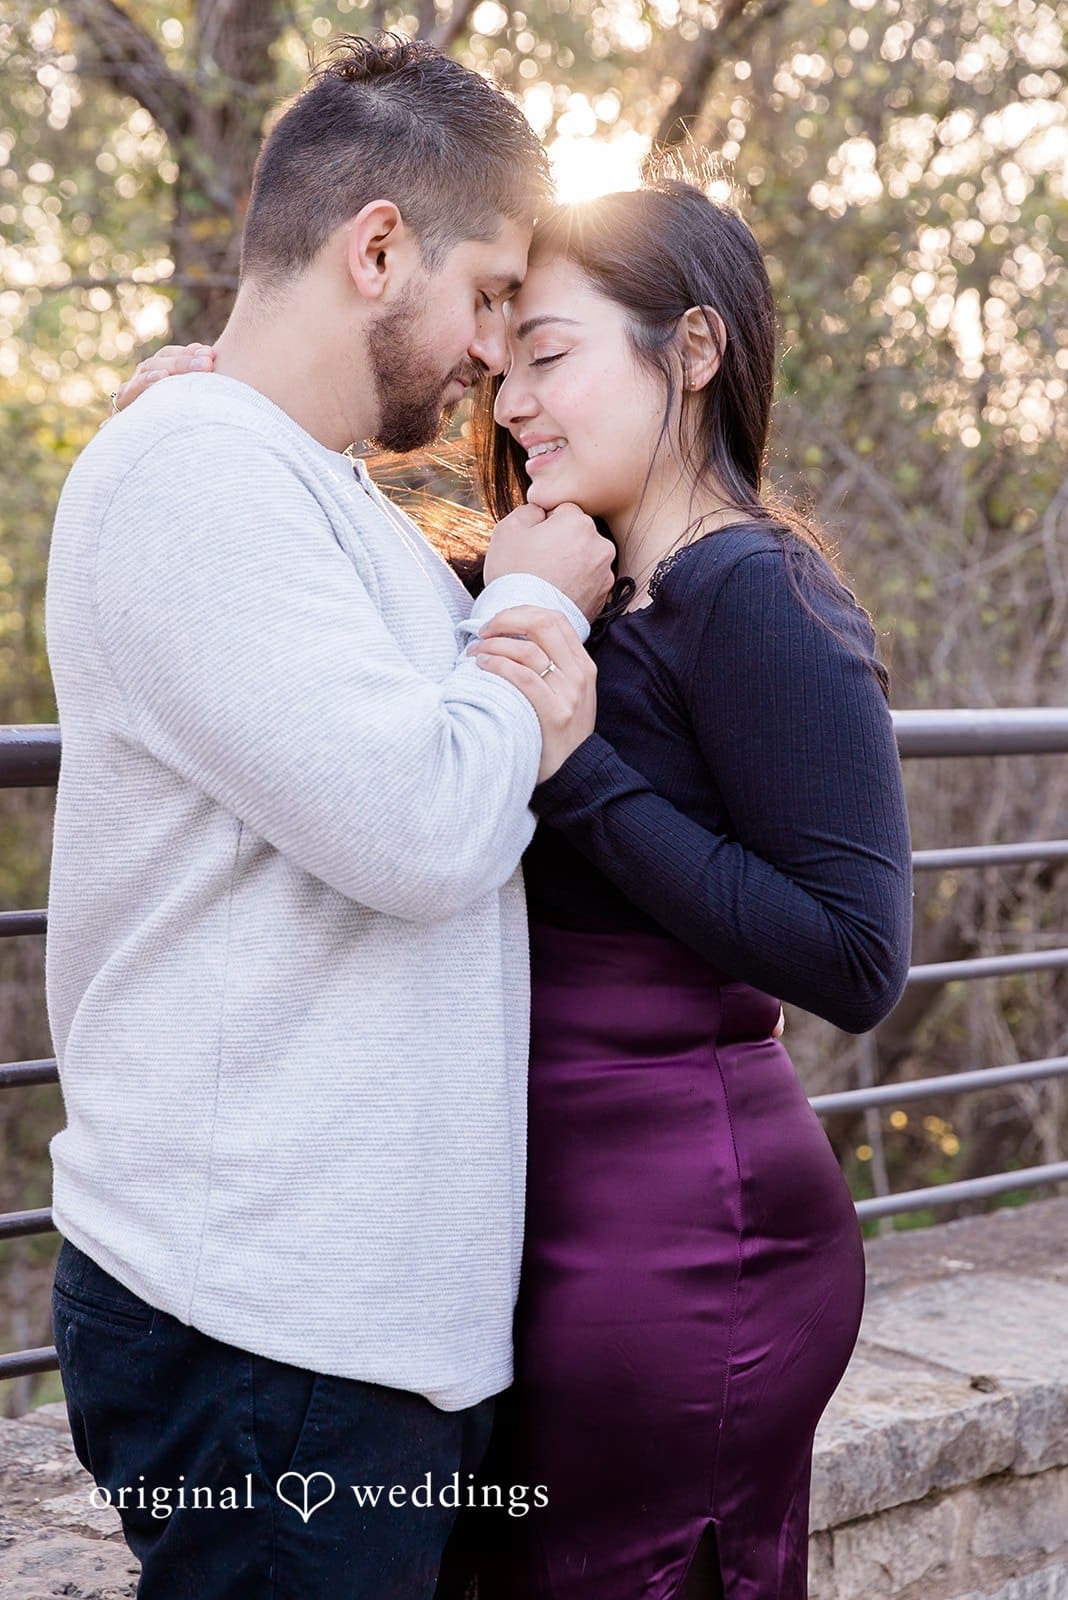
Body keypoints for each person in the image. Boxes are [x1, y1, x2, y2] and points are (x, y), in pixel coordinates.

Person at [117, 177, 914, 1596]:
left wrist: (586, 771)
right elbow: (363, 614)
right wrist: (220, 411)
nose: (510, 401)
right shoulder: (575, 581)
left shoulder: (763, 597)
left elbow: (855, 955)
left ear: (694, 350)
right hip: (526, 1220)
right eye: (504, 363)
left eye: (550, 355)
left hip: (681, 1232)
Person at [45, 35, 615, 1600]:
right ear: (378, 249)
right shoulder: (195, 479)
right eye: (492, 293)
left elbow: (432, 764)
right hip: (261, 1329)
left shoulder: (300, 483)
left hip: (348, 1330)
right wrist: (532, 619)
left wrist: (499, 670)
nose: (498, 354)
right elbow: (425, 825)